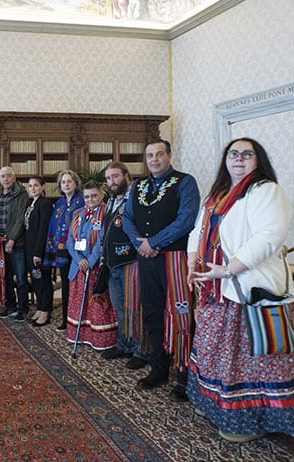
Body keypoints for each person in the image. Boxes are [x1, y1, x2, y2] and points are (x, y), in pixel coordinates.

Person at [186, 138, 294, 442]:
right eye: (233, 154)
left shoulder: (266, 191)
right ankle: (214, 405)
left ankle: (247, 424)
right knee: (212, 355)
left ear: (258, 160)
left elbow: (268, 238)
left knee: (249, 363)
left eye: (247, 154)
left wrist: (228, 270)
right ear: (225, 160)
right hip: (214, 288)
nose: (239, 159)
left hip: (249, 292)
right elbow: (198, 230)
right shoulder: (218, 195)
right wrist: (193, 260)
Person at [122, 139, 200, 402]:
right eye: (150, 156)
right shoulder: (138, 186)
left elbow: (186, 220)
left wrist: (153, 242)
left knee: (180, 315)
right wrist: (140, 244)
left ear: (169, 155)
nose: (154, 159)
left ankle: (184, 376)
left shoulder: (185, 182)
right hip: (146, 260)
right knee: (153, 313)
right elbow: (128, 218)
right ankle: (158, 369)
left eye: (159, 154)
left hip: (175, 260)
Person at [98, 162, 147, 370]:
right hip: (112, 263)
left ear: (126, 175)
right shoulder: (111, 200)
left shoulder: (136, 199)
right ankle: (124, 345)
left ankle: (140, 350)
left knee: (134, 308)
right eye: (109, 178)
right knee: (120, 308)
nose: (112, 182)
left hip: (131, 261)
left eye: (116, 177)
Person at [65, 182, 117, 349]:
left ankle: (99, 339)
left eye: (94, 195)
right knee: (79, 301)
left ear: (102, 195)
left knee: (97, 305)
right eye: (87, 196)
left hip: (95, 268)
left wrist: (91, 261)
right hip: (78, 266)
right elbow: (69, 241)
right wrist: (79, 259)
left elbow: (103, 241)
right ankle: (80, 336)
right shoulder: (77, 213)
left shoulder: (106, 214)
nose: (90, 199)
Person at [43, 170, 85, 331]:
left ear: (75, 183)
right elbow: (53, 226)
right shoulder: (59, 203)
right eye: (63, 182)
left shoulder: (82, 201)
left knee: (77, 285)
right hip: (61, 249)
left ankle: (79, 320)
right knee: (66, 285)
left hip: (78, 250)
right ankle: (66, 320)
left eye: (69, 181)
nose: (66, 184)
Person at [0, 166, 30, 322]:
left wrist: (12, 239)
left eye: (8, 176)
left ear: (13, 178)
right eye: (2, 176)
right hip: (0, 242)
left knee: (20, 277)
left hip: (16, 243)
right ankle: (10, 306)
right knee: (5, 276)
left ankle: (23, 308)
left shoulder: (21, 195)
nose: (5, 179)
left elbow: (21, 219)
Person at [24, 176, 54, 326]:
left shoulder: (45, 204)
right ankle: (40, 308)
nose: (33, 188)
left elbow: (43, 230)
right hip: (30, 247)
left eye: (36, 185)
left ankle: (46, 311)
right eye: (30, 186)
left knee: (43, 281)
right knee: (36, 281)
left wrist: (38, 252)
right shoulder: (32, 204)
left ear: (42, 187)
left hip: (39, 249)